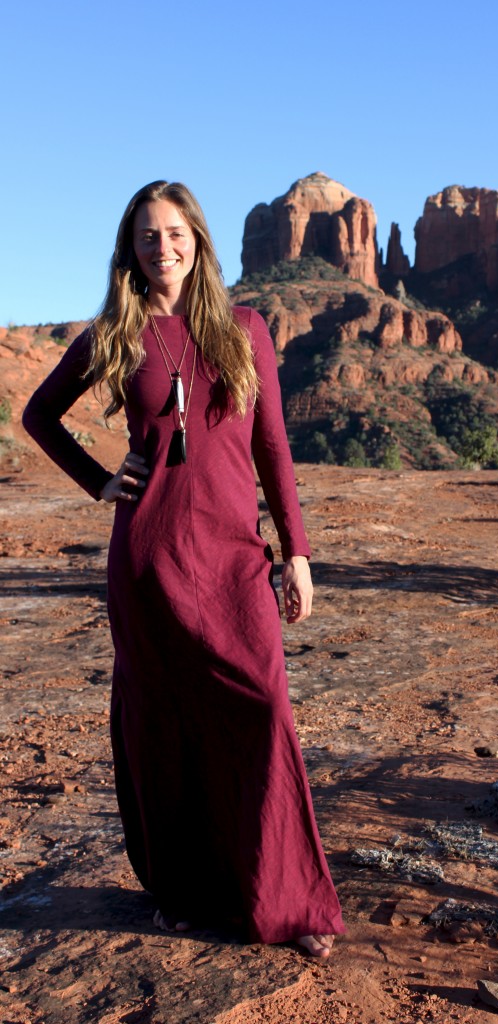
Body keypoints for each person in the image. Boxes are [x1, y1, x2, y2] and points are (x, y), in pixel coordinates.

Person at [22, 180, 344, 958]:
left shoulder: (245, 329)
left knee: (264, 712)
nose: (161, 248)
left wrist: (296, 551)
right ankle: (183, 892)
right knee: (165, 727)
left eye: (173, 233)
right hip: (150, 557)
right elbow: (38, 414)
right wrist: (100, 480)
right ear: (129, 251)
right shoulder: (116, 334)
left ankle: (290, 903)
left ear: (197, 241)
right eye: (145, 237)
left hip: (235, 557)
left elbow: (272, 447)